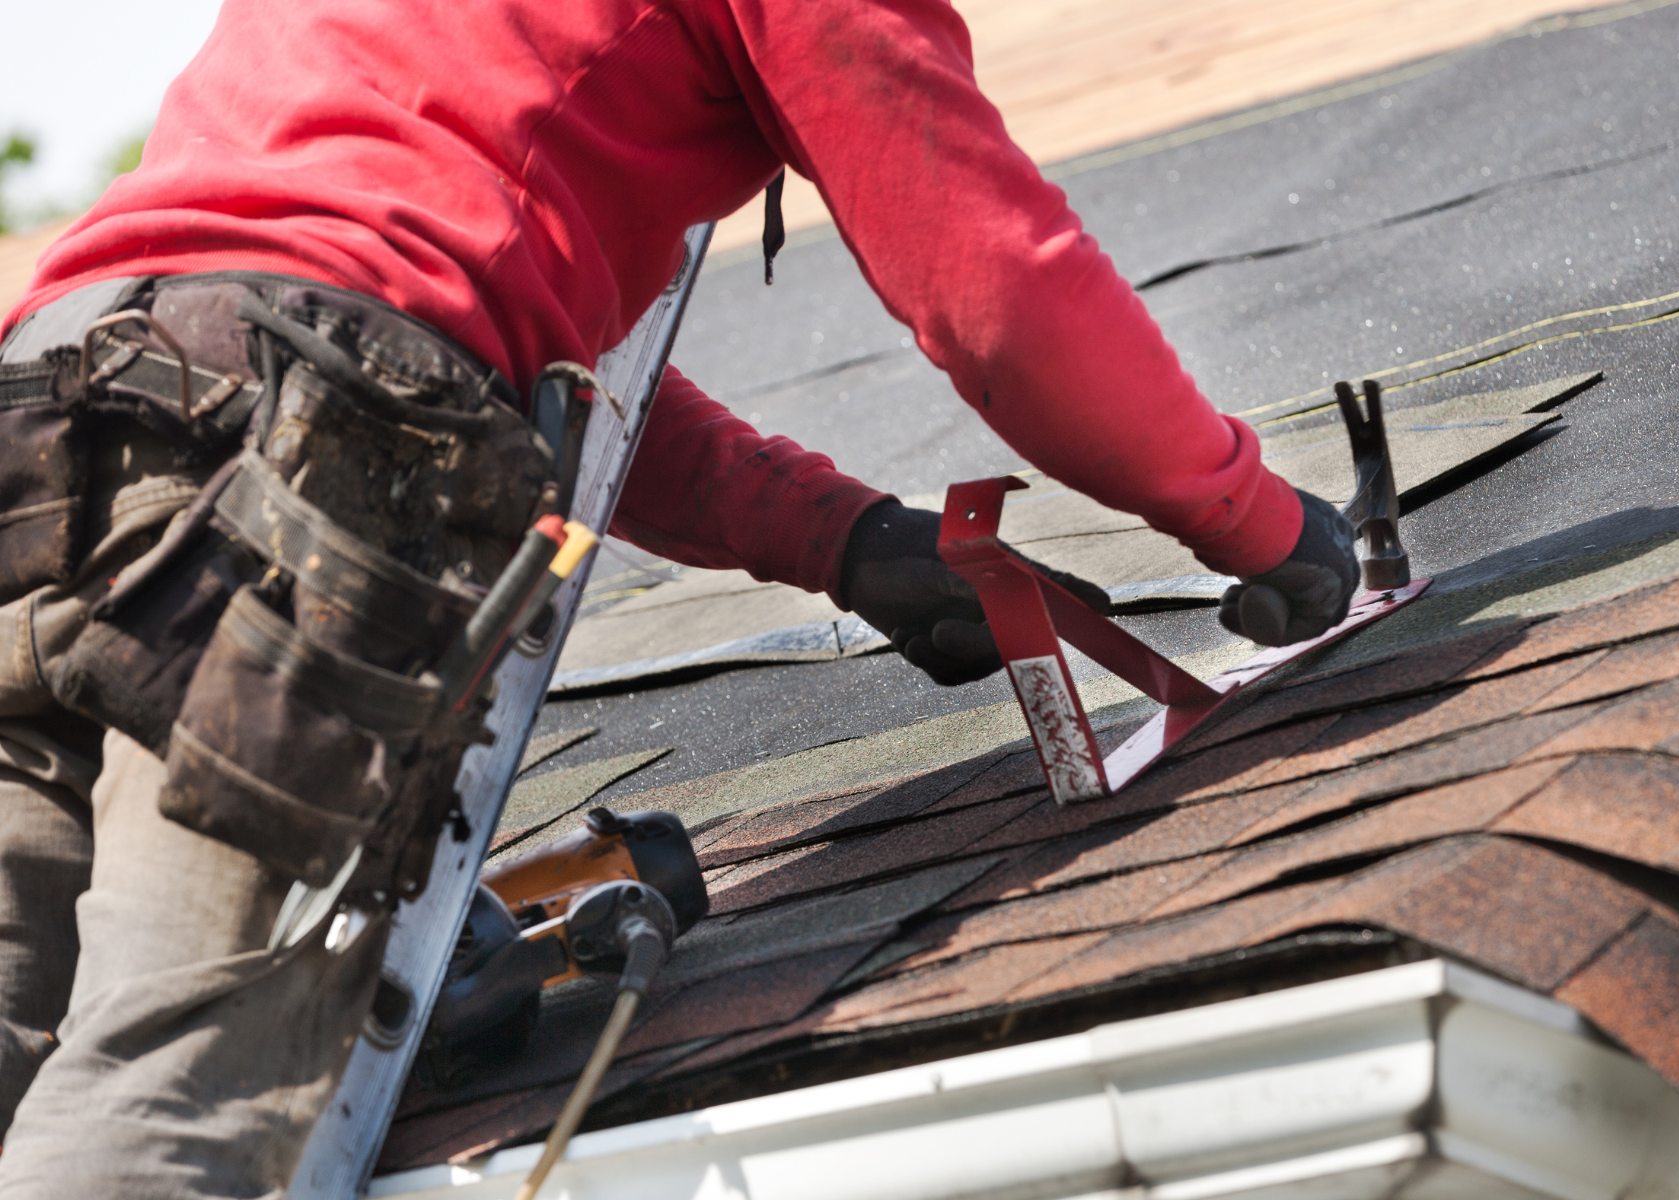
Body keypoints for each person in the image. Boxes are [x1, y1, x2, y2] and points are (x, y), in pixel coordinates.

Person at [0, 0, 1359, 1192]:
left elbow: (478, 343)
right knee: (175, 1087)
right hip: (311, 464)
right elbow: (993, 291)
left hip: (58, 412)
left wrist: (843, 539)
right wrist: (1253, 519)